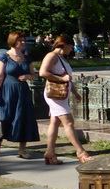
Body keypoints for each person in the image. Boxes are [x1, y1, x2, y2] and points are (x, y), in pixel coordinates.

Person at [39, 35, 94, 164]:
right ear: (64, 45)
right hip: (55, 95)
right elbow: (43, 72)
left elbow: (67, 78)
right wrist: (61, 79)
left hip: (61, 95)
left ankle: (50, 152)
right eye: (71, 46)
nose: (72, 49)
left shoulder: (61, 58)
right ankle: (81, 152)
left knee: (55, 122)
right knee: (68, 122)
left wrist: (75, 93)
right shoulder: (51, 56)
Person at [0, 31, 40, 157]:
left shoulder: (27, 58)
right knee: (4, 117)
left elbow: (34, 76)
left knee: (23, 117)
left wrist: (28, 76)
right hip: (7, 91)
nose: (23, 42)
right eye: (20, 40)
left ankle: (22, 149)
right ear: (13, 41)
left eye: (24, 40)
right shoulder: (4, 57)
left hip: (22, 92)